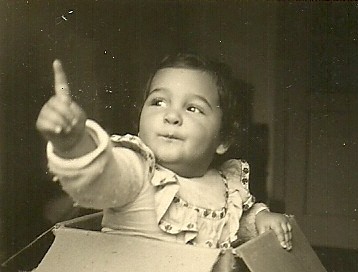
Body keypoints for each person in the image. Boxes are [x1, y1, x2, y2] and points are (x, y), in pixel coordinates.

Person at [36, 53, 292, 250]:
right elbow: (100, 176)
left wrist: (260, 220)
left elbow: (235, 222)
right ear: (139, 123)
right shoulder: (137, 170)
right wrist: (73, 144)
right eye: (158, 102)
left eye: (192, 108)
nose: (171, 116)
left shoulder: (227, 185)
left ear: (223, 139)